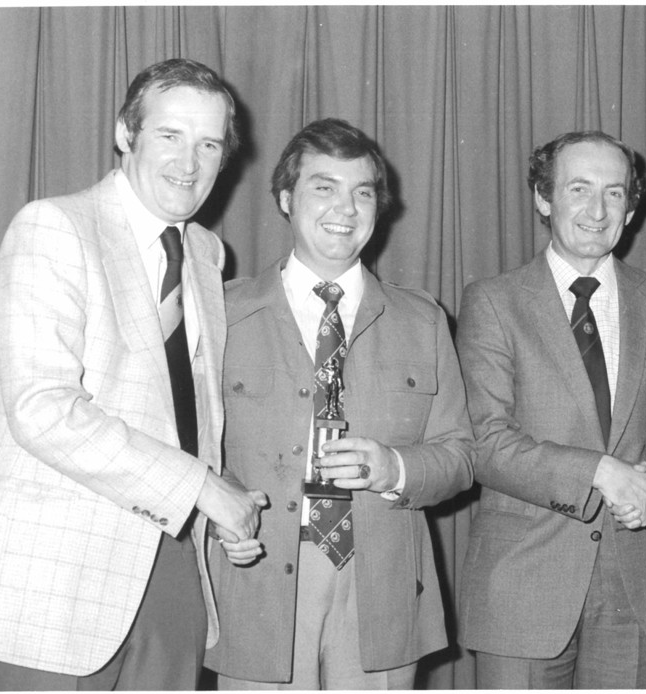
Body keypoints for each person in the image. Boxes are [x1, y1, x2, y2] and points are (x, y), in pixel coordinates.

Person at [0, 58, 268, 691]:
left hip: (175, 580)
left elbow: (182, 417)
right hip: (49, 593)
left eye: (209, 144)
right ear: (125, 134)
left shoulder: (207, 253)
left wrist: (225, 501)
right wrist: (201, 489)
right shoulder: (53, 227)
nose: (190, 162)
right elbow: (44, 409)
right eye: (170, 135)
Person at [204, 118, 475, 690]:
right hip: (259, 581)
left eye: (362, 192)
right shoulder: (222, 313)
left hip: (381, 587)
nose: (345, 209)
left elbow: (462, 455)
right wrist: (220, 507)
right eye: (323, 188)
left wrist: (393, 467)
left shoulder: (423, 320)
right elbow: (188, 447)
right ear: (285, 198)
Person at [456, 130, 646, 688]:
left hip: (636, 582)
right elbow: (485, 443)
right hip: (522, 586)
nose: (597, 210)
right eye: (579, 189)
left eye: (614, 193)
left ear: (631, 207)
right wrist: (599, 472)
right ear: (544, 199)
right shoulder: (493, 302)